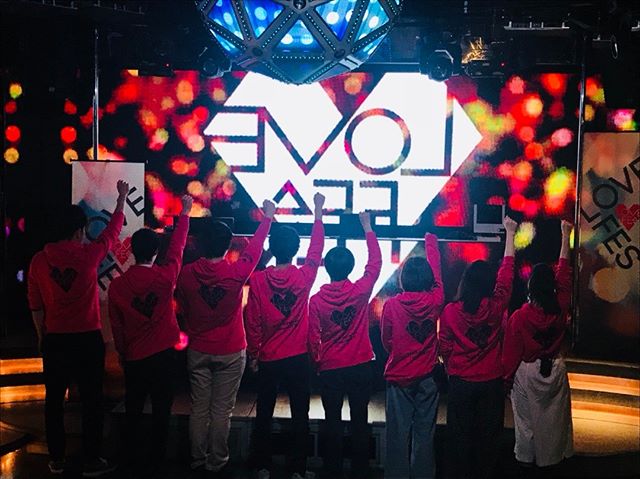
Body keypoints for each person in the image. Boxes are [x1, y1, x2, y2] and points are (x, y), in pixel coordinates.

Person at [27, 180, 130, 477]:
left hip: (55, 341)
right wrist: (121, 198)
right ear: (78, 231)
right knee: (92, 401)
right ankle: (92, 459)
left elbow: (35, 305)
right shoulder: (88, 256)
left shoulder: (38, 261)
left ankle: (57, 459)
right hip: (87, 340)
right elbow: (112, 232)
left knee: (54, 401)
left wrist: (42, 336)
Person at [176, 200, 275, 477]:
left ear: (200, 245)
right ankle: (217, 462)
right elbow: (255, 250)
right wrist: (267, 217)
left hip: (198, 348)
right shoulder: (235, 272)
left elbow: (183, 303)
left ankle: (197, 459)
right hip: (231, 350)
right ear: (227, 244)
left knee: (199, 408)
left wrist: (184, 214)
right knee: (221, 410)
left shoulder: (186, 274)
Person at [108, 195, 193, 478]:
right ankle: (157, 462)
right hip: (164, 356)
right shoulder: (165, 278)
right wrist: (185, 213)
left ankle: (131, 460)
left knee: (133, 409)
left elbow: (117, 326)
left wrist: (122, 353)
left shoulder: (118, 286)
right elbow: (178, 248)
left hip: (134, 356)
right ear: (156, 252)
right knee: (161, 411)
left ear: (132, 251)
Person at [245, 193, 326, 479]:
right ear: (295, 250)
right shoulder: (303, 277)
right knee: (300, 414)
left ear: (272, 248)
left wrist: (253, 353)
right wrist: (318, 212)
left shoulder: (258, 280)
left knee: (264, 413)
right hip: (297, 357)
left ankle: (262, 466)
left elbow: (253, 320)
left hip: (268, 357)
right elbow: (316, 249)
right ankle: (298, 470)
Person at [439, 216, 517, 479]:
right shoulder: (496, 307)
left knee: (459, 438)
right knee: (488, 440)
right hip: (491, 381)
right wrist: (510, 234)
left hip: (461, 381)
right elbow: (507, 274)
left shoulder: (451, 312)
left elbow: (445, 346)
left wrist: (451, 369)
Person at [309, 211, 382, 479]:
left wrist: (317, 363)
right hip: (360, 365)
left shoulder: (317, 301)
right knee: (360, 420)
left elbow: (313, 337)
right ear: (351, 267)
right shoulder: (360, 291)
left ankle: (332, 471)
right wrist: (367, 227)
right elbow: (375, 263)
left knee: (332, 422)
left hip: (330, 368)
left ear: (326, 268)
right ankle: (360, 471)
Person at [502, 220, 574, 475]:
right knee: (555, 423)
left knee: (525, 425)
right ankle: (552, 464)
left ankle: (526, 465)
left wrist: (506, 382)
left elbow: (511, 354)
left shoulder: (520, 317)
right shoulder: (560, 306)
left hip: (528, 373)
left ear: (530, 285)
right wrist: (565, 235)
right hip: (555, 369)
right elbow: (564, 274)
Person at [381, 233, 444, 479]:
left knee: (397, 435)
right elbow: (438, 275)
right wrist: (431, 241)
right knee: (425, 433)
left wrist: (399, 353)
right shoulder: (435, 300)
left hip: (399, 377)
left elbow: (386, 340)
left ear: (403, 278)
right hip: (428, 377)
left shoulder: (391, 306)